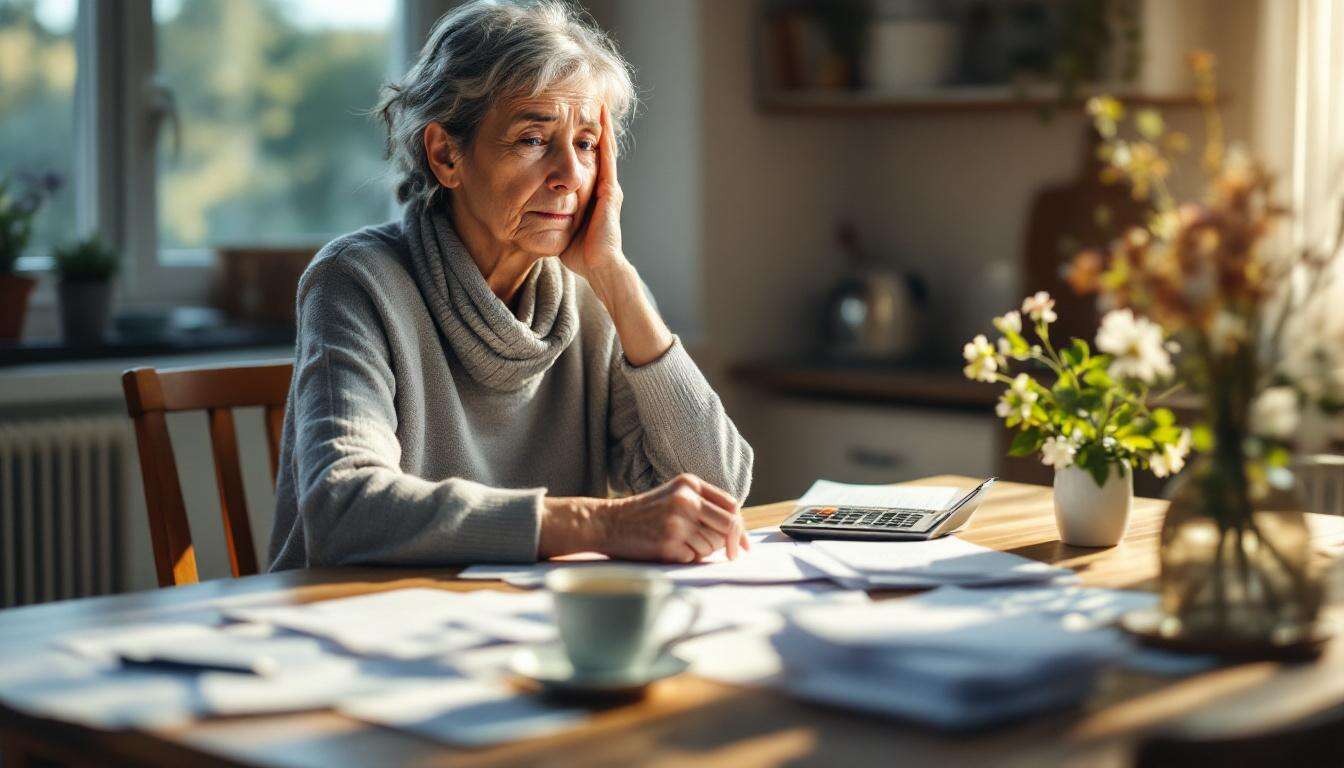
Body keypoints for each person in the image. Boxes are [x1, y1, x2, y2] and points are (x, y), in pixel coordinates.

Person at [268, 0, 753, 571]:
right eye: (532, 139)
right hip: (353, 628)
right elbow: (344, 509)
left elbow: (717, 493)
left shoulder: (594, 290)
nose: (571, 175)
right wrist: (596, 523)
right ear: (446, 155)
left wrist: (616, 279)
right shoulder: (355, 281)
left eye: (587, 144)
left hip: (519, 626)